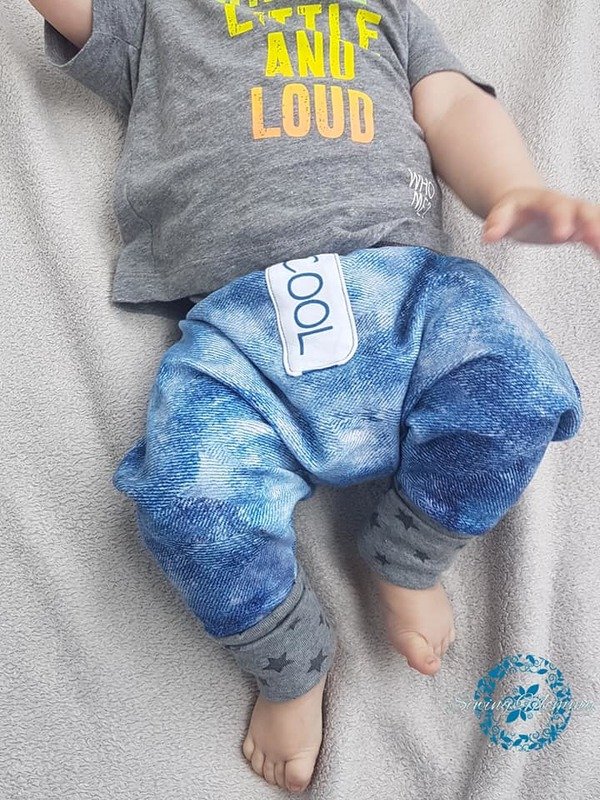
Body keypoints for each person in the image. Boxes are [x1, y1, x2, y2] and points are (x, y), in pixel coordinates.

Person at [30, 0, 595, 792]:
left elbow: (453, 106)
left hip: (407, 294)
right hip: (239, 330)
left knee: (520, 382)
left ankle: (412, 551)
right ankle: (289, 661)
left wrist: (513, 185)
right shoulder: (158, 16)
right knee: (185, 499)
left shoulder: (387, 12)